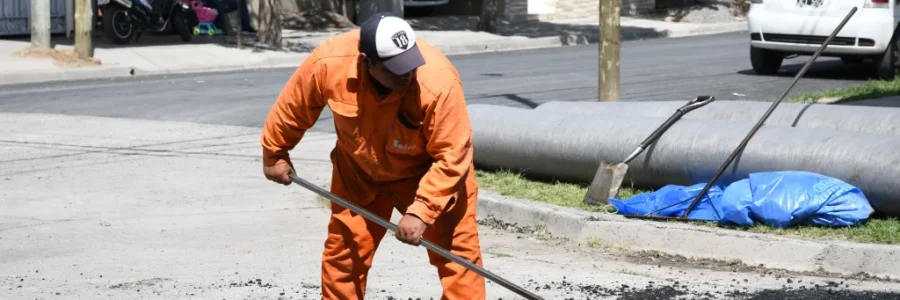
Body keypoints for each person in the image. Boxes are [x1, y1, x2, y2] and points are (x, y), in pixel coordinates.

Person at [259, 12, 486, 300]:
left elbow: (453, 154)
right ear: (366, 61)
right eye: (396, 69)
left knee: (459, 259)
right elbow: (293, 106)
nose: (407, 74)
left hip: (427, 174)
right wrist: (274, 151)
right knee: (345, 257)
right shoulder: (329, 63)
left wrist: (421, 210)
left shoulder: (438, 81)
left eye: (410, 64)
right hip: (359, 172)